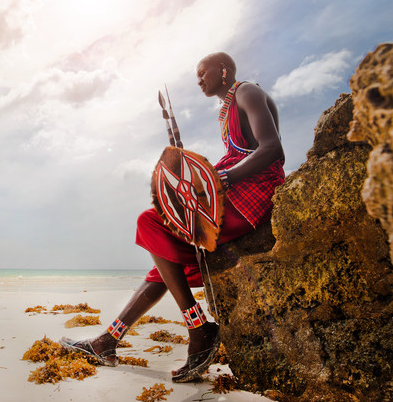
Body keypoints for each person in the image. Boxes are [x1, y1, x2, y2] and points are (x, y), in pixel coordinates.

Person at [61, 52, 285, 382]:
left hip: (251, 196)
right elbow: (237, 155)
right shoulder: (227, 107)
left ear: (223, 70)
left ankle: (198, 329)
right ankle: (107, 341)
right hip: (234, 191)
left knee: (149, 222)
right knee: (163, 262)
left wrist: (219, 180)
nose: (198, 79)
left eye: (202, 72)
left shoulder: (246, 92)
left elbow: (272, 150)